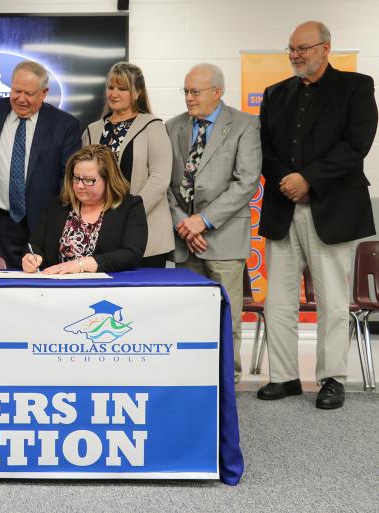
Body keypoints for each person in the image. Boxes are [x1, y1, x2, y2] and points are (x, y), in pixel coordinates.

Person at [257, 21, 377, 409]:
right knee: (278, 301)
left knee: (332, 300)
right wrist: (287, 181)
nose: (295, 55)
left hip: (332, 209)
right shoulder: (275, 94)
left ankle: (332, 379)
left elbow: (356, 145)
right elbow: (265, 150)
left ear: (327, 47)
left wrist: (308, 178)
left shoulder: (356, 87)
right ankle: (286, 377)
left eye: (303, 48)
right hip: (282, 208)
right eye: (291, 49)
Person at [165, 63, 262, 383]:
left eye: (195, 92)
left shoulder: (245, 125)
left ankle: (227, 379)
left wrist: (203, 221)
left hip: (223, 235)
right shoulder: (172, 127)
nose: (189, 98)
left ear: (217, 92)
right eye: (186, 92)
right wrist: (184, 223)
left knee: (227, 313)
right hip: (184, 237)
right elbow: (165, 183)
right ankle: (192, 377)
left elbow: (245, 181)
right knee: (189, 312)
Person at [0, 60, 82, 268]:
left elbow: (68, 179)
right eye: (17, 91)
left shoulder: (65, 125)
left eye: (29, 93)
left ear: (44, 93)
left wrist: (56, 223)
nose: (21, 99)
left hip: (42, 224)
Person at [82, 62, 173, 268]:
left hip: (146, 231)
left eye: (122, 88)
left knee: (145, 298)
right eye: (111, 87)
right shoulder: (92, 131)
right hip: (101, 232)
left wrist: (129, 214)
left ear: (137, 92)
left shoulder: (153, 126)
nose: (114, 93)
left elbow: (159, 179)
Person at [22, 145, 146, 274]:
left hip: (107, 290)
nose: (80, 186)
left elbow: (131, 254)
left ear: (108, 179)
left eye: (88, 180)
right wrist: (31, 258)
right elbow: (34, 245)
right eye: (76, 178)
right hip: (57, 288)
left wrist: (81, 264)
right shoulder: (56, 205)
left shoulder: (131, 207)